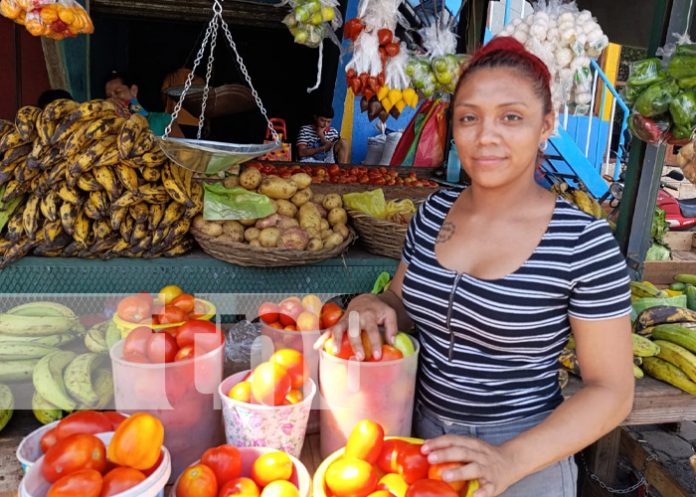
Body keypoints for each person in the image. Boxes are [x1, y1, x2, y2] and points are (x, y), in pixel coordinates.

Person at [316, 37, 634, 497]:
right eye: (469, 117)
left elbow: (612, 392)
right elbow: (400, 302)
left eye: (511, 117)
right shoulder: (431, 212)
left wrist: (509, 461)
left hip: (524, 455)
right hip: (413, 439)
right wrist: (371, 302)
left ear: (546, 125)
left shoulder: (584, 243)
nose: (486, 135)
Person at [104, 71, 182, 137]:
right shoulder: (109, 127)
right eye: (109, 96)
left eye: (118, 92)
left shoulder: (164, 120)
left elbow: (184, 151)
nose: (114, 98)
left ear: (134, 90)